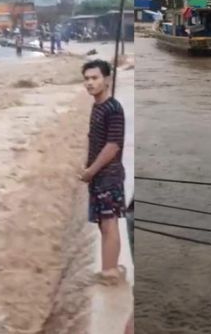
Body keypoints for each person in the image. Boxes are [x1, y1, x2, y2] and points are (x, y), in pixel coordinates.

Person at [79, 59, 126, 284]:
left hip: (109, 175)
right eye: (86, 79)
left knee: (109, 222)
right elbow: (96, 141)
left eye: (95, 78)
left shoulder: (113, 108)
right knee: (103, 222)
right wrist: (88, 169)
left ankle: (110, 272)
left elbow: (112, 145)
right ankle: (111, 266)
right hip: (98, 175)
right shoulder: (98, 106)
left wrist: (92, 170)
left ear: (107, 80)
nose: (90, 83)